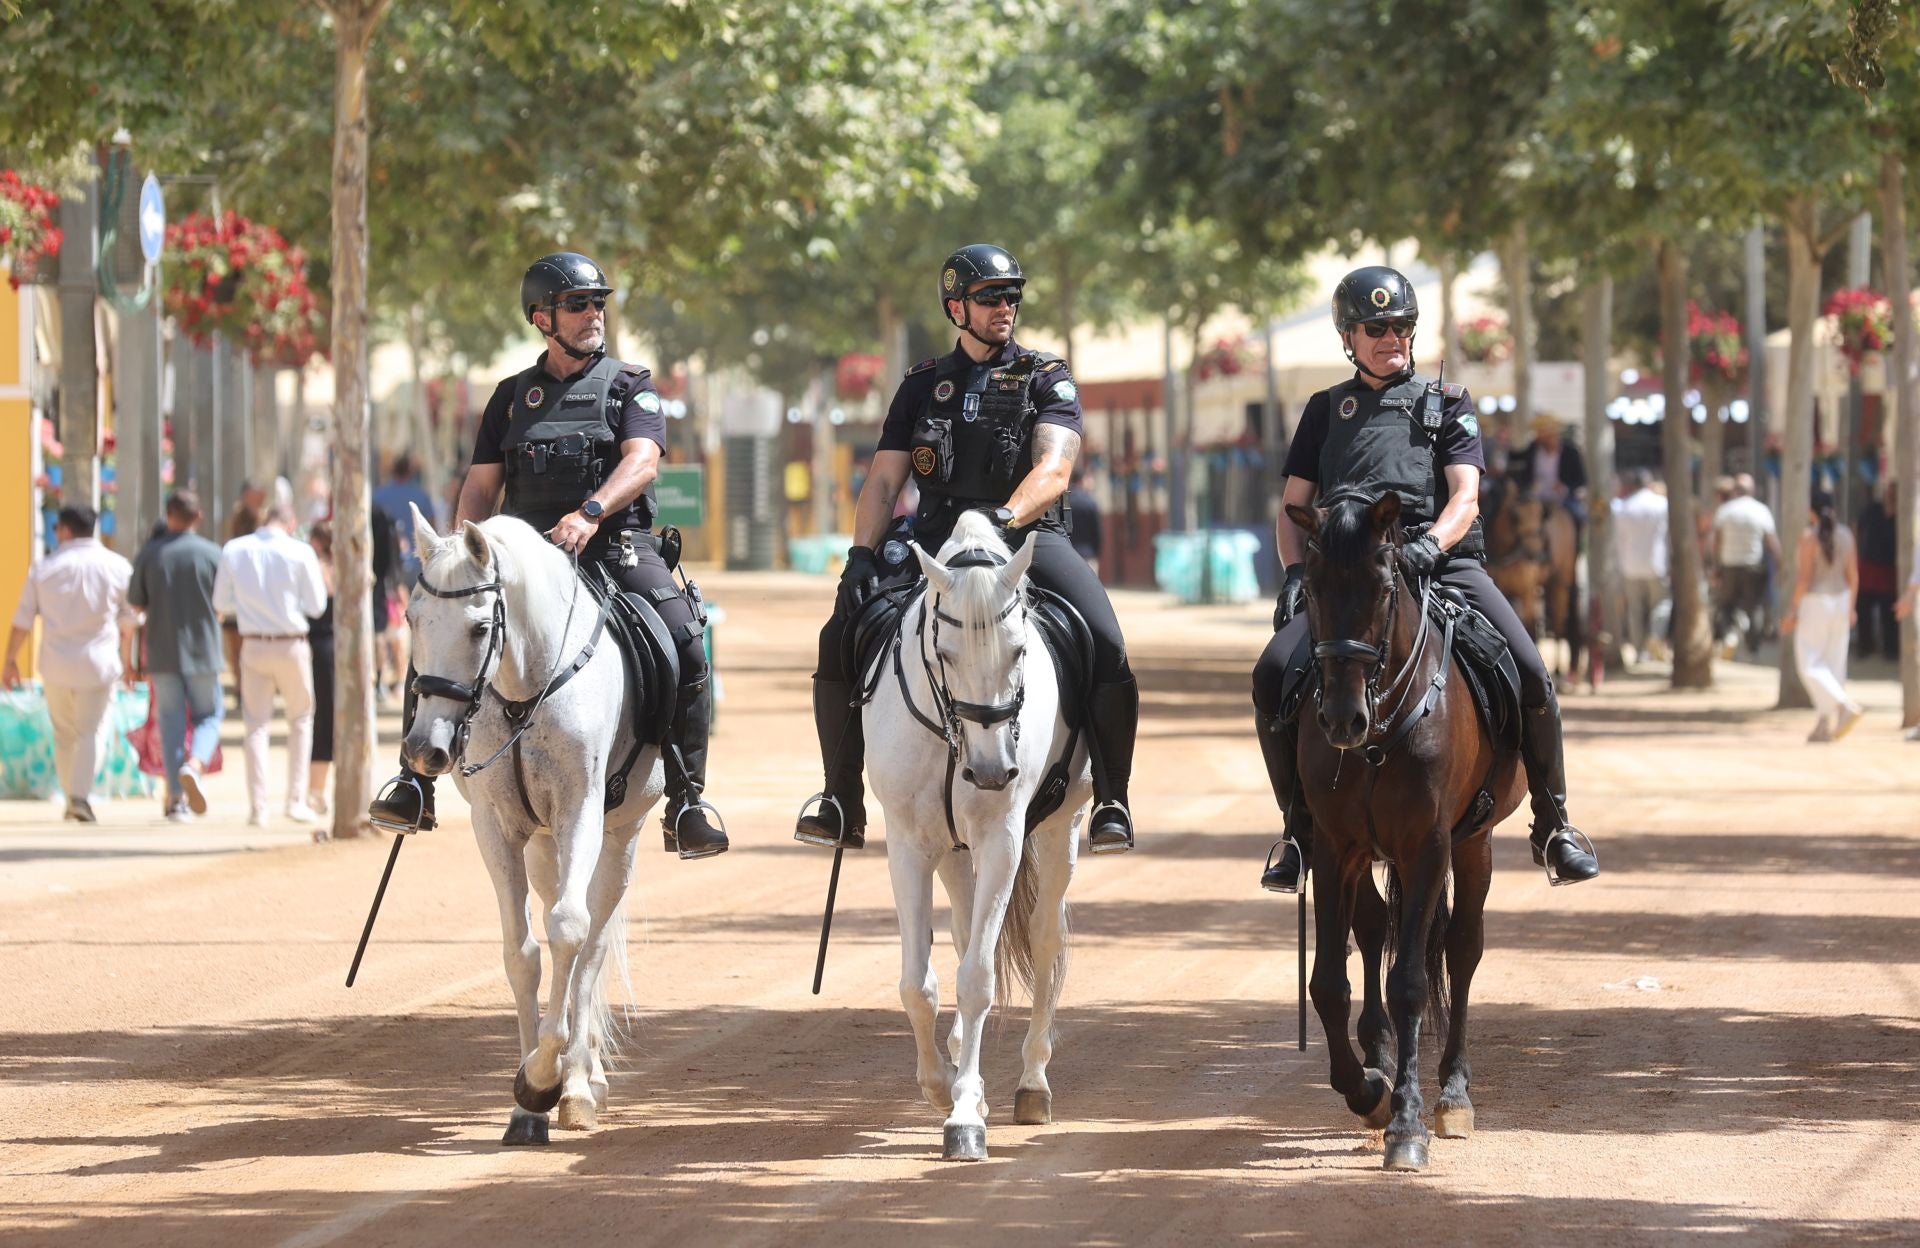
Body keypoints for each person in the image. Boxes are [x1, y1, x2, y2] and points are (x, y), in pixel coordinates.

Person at [368, 251, 729, 860]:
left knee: (684, 638)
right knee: (443, 626)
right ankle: (417, 777)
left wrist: (591, 512)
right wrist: (465, 554)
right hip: (520, 565)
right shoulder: (510, 398)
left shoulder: (630, 385)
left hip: (614, 548)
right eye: (578, 305)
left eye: (598, 303)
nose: (594, 314)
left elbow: (640, 462)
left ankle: (686, 798)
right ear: (542, 317)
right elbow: (481, 487)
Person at [1251, 265, 1599, 892]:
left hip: (1443, 563)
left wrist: (1429, 547)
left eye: (1403, 326)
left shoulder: (1449, 403)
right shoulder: (1324, 410)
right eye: (1377, 327)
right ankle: (1297, 832)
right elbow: (1292, 508)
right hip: (1353, 574)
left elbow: (1466, 496)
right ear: (1348, 336)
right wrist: (1297, 574)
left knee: (1530, 672)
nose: (1393, 338)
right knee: (1273, 672)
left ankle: (1555, 823)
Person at [794, 243, 1138, 855]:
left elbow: (1054, 470)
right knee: (839, 634)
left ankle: (1113, 796)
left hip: (1026, 538)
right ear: (957, 307)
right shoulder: (922, 384)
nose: (1006, 306)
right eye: (990, 297)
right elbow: (882, 481)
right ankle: (839, 797)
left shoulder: (1046, 376)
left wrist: (1000, 519)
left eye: (1012, 295)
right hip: (933, 540)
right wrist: (860, 557)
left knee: (1106, 642)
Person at [3, 504, 138, 823]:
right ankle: (80, 796)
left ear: (63, 529)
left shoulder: (44, 568)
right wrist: (129, 660)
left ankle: (71, 796)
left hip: (56, 665)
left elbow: (22, 621)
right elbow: (129, 621)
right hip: (99, 663)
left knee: (64, 733)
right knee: (91, 730)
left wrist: (9, 660)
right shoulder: (117, 566)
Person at [213, 501, 327, 826]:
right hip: (291, 642)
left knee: (256, 726)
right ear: (290, 523)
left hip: (252, 644)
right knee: (301, 720)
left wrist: (249, 606)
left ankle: (258, 808)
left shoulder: (234, 549)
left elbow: (220, 601)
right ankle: (295, 800)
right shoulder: (301, 552)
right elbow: (317, 605)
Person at [128, 491, 225, 821]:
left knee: (170, 722)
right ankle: (194, 764)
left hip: (162, 652)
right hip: (204, 651)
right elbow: (223, 605)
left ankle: (175, 801)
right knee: (209, 716)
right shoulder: (213, 554)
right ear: (198, 517)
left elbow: (136, 603)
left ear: (168, 513)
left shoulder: (150, 555)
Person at [1782, 491, 1863, 742]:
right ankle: (1824, 723)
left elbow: (1804, 578)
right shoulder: (1846, 535)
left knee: (1810, 664)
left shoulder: (1809, 538)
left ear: (1811, 510)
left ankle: (1842, 705)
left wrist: (1792, 611)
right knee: (1834, 665)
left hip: (1815, 603)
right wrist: (1851, 607)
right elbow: (1853, 576)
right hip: (1840, 602)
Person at [1711, 473, 1781, 656]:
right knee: (1754, 607)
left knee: (1727, 606)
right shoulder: (1761, 510)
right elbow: (1771, 541)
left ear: (1735, 490)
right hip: (1753, 566)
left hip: (1729, 565)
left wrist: (1716, 567)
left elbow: (1717, 542)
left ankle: (1729, 637)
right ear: (1752, 491)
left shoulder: (1725, 511)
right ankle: (1753, 649)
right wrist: (1780, 564)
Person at [1610, 469, 1669, 663]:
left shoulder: (1624, 508)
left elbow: (1618, 541)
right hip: (1656, 564)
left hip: (1630, 566)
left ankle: (1639, 651)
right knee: (1661, 604)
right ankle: (1654, 635)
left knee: (1635, 610)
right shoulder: (1662, 505)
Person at [305, 521, 337, 822]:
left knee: (319, 721)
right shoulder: (345, 569)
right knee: (330, 720)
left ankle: (316, 791)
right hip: (338, 648)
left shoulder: (313, 566)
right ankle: (318, 791)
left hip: (316, 648)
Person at [1518, 411, 1588, 533]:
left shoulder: (1571, 452)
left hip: (1563, 499)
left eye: (1543, 432)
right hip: (1535, 497)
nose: (1539, 436)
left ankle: (1576, 548)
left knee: (1577, 516)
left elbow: (1581, 480)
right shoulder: (1533, 449)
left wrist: (1565, 487)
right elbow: (1524, 471)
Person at [1854, 480, 1898, 661]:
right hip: (1868, 566)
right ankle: (1865, 647)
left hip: (1890, 569)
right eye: (1889, 490)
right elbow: (1857, 528)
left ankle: (1891, 649)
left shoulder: (1904, 513)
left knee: (1889, 611)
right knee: (1863, 608)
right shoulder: (1873, 510)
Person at [1067, 467, 1104, 572]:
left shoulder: (1064, 500)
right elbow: (1097, 531)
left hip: (1067, 552)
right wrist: (1096, 551)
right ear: (1082, 480)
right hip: (1087, 554)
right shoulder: (1090, 502)